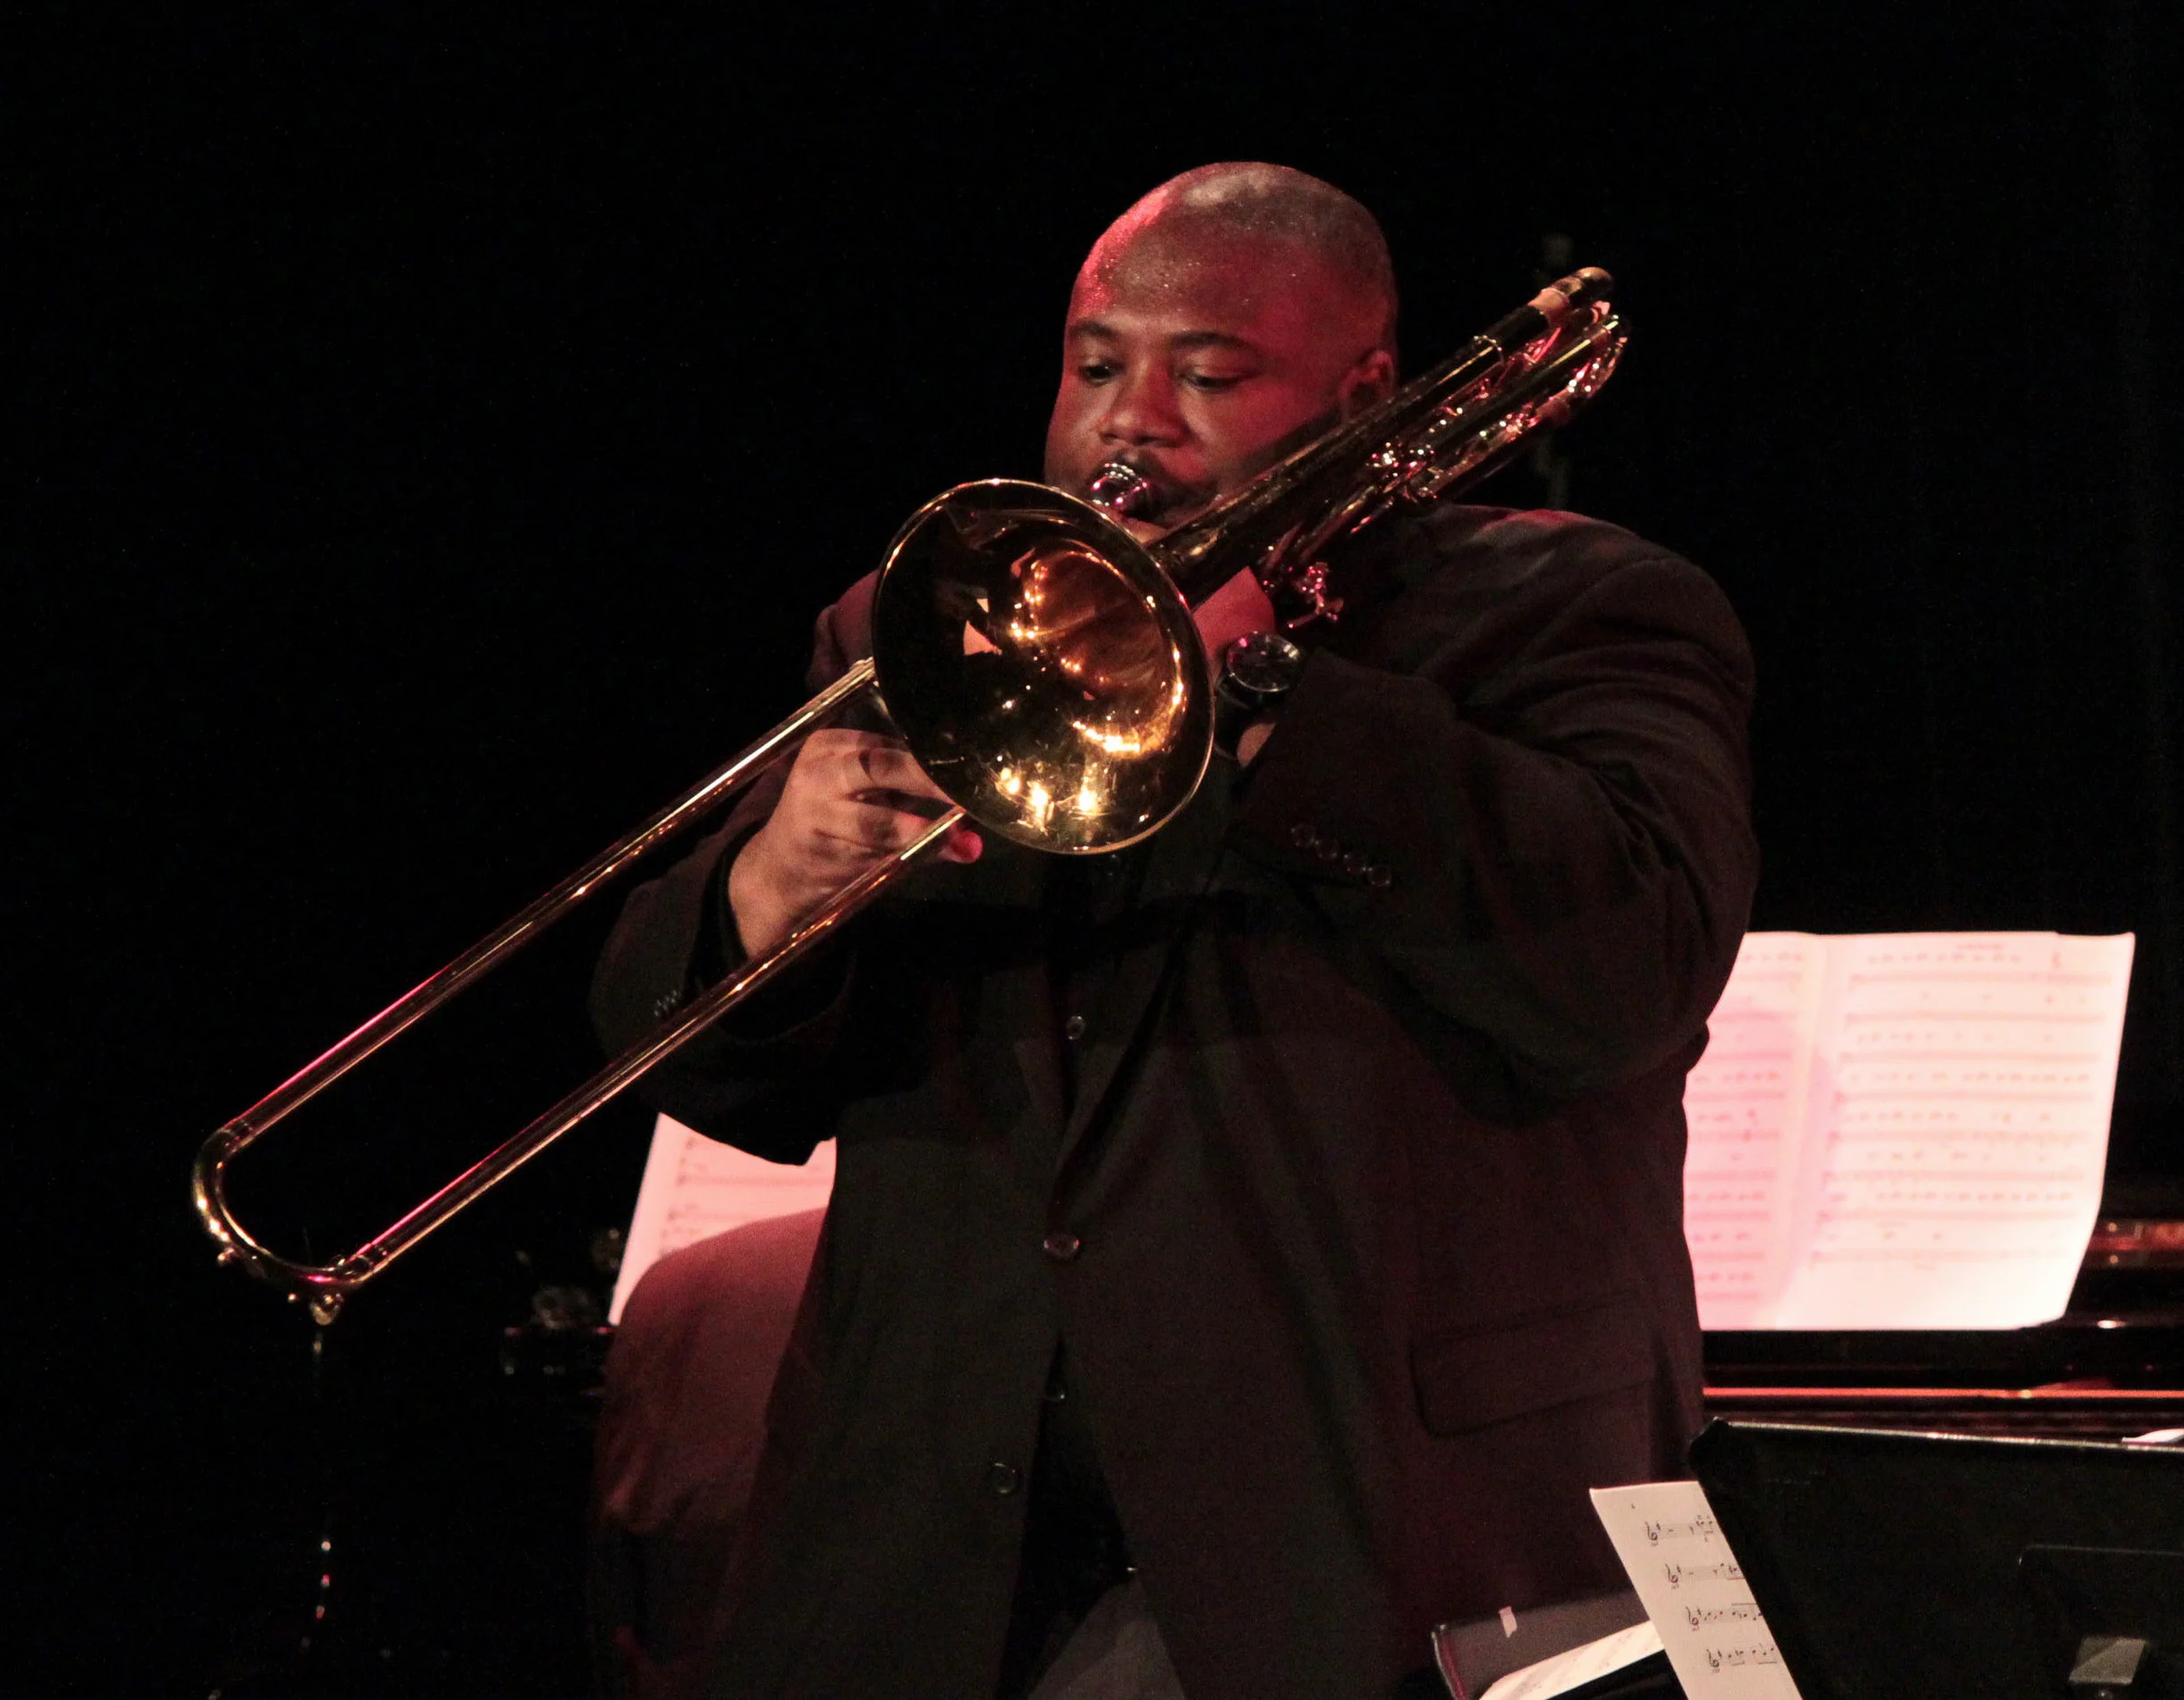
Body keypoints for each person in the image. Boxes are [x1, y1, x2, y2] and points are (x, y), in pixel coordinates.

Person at [589, 162, 1758, 1698]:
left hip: (1379, 1562)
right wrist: (765, 896)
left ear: (1366, 393)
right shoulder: (933, 625)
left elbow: (1634, 969)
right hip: (925, 1568)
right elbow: (705, 1076)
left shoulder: (1576, 611)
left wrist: (1264, 703)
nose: (1131, 419)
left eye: (1208, 373)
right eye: (1094, 367)